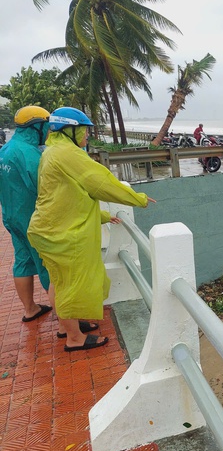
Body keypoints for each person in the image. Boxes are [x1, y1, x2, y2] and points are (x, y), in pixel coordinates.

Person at [27, 107, 156, 352]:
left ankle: (68, 327)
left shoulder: (52, 151)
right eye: (84, 130)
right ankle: (74, 339)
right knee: (68, 285)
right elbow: (100, 181)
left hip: (49, 228)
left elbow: (68, 197)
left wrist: (103, 215)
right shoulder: (67, 153)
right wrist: (137, 198)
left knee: (60, 282)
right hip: (61, 233)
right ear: (70, 130)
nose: (87, 136)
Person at [0, 106, 53, 323]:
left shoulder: (5, 149)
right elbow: (44, 187)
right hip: (32, 218)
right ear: (37, 126)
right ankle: (68, 322)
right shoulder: (29, 153)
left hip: (11, 216)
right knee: (49, 265)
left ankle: (30, 309)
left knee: (22, 260)